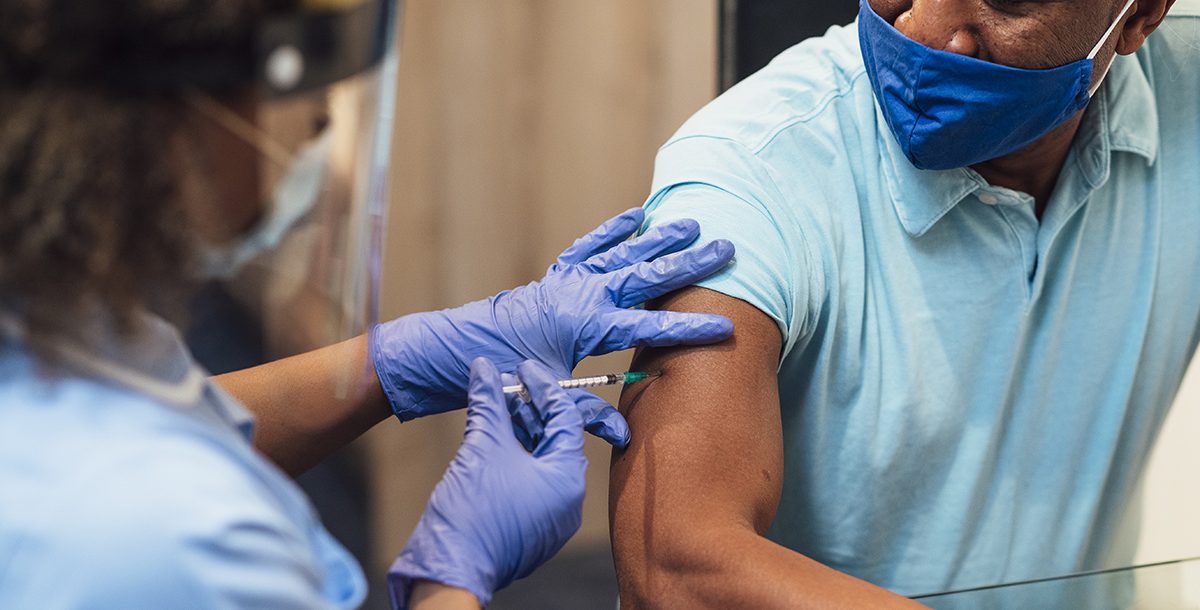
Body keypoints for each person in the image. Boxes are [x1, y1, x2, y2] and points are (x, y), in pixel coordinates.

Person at [0, 1, 736, 609]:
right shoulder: (179, 547)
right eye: (294, 73)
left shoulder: (51, 326)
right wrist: (450, 576)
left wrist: (395, 364)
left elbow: (166, 415)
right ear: (174, 115)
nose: (321, 119)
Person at [610, 0, 1200, 606]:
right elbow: (676, 569)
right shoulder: (751, 167)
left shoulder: (1187, 90)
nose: (927, 27)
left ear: (1137, 17)